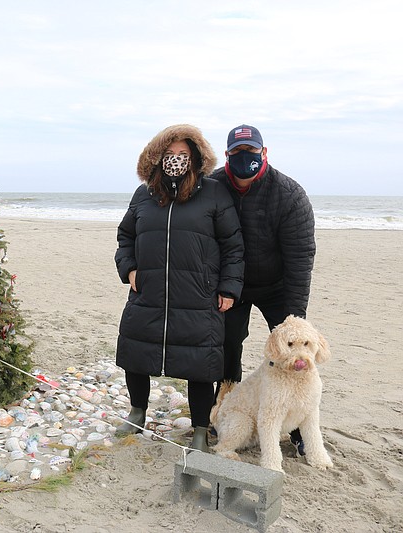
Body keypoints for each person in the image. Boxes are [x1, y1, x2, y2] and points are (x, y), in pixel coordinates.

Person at [114, 124, 244, 452]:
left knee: (199, 365)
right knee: (136, 353)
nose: (176, 160)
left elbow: (233, 246)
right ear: (157, 157)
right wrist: (129, 268)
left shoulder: (213, 193)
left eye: (183, 155)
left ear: (196, 157)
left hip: (198, 296)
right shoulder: (143, 195)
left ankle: (201, 429)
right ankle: (137, 412)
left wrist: (228, 287)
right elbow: (125, 235)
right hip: (148, 292)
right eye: (170, 155)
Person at [210, 124, 316, 456]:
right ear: (227, 155)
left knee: (294, 354)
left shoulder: (289, 194)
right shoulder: (212, 186)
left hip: (278, 287)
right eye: (238, 153)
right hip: (232, 285)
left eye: (251, 152)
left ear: (263, 153)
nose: (245, 159)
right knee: (226, 345)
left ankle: (297, 427)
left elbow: (300, 257)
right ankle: (225, 411)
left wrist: (294, 315)